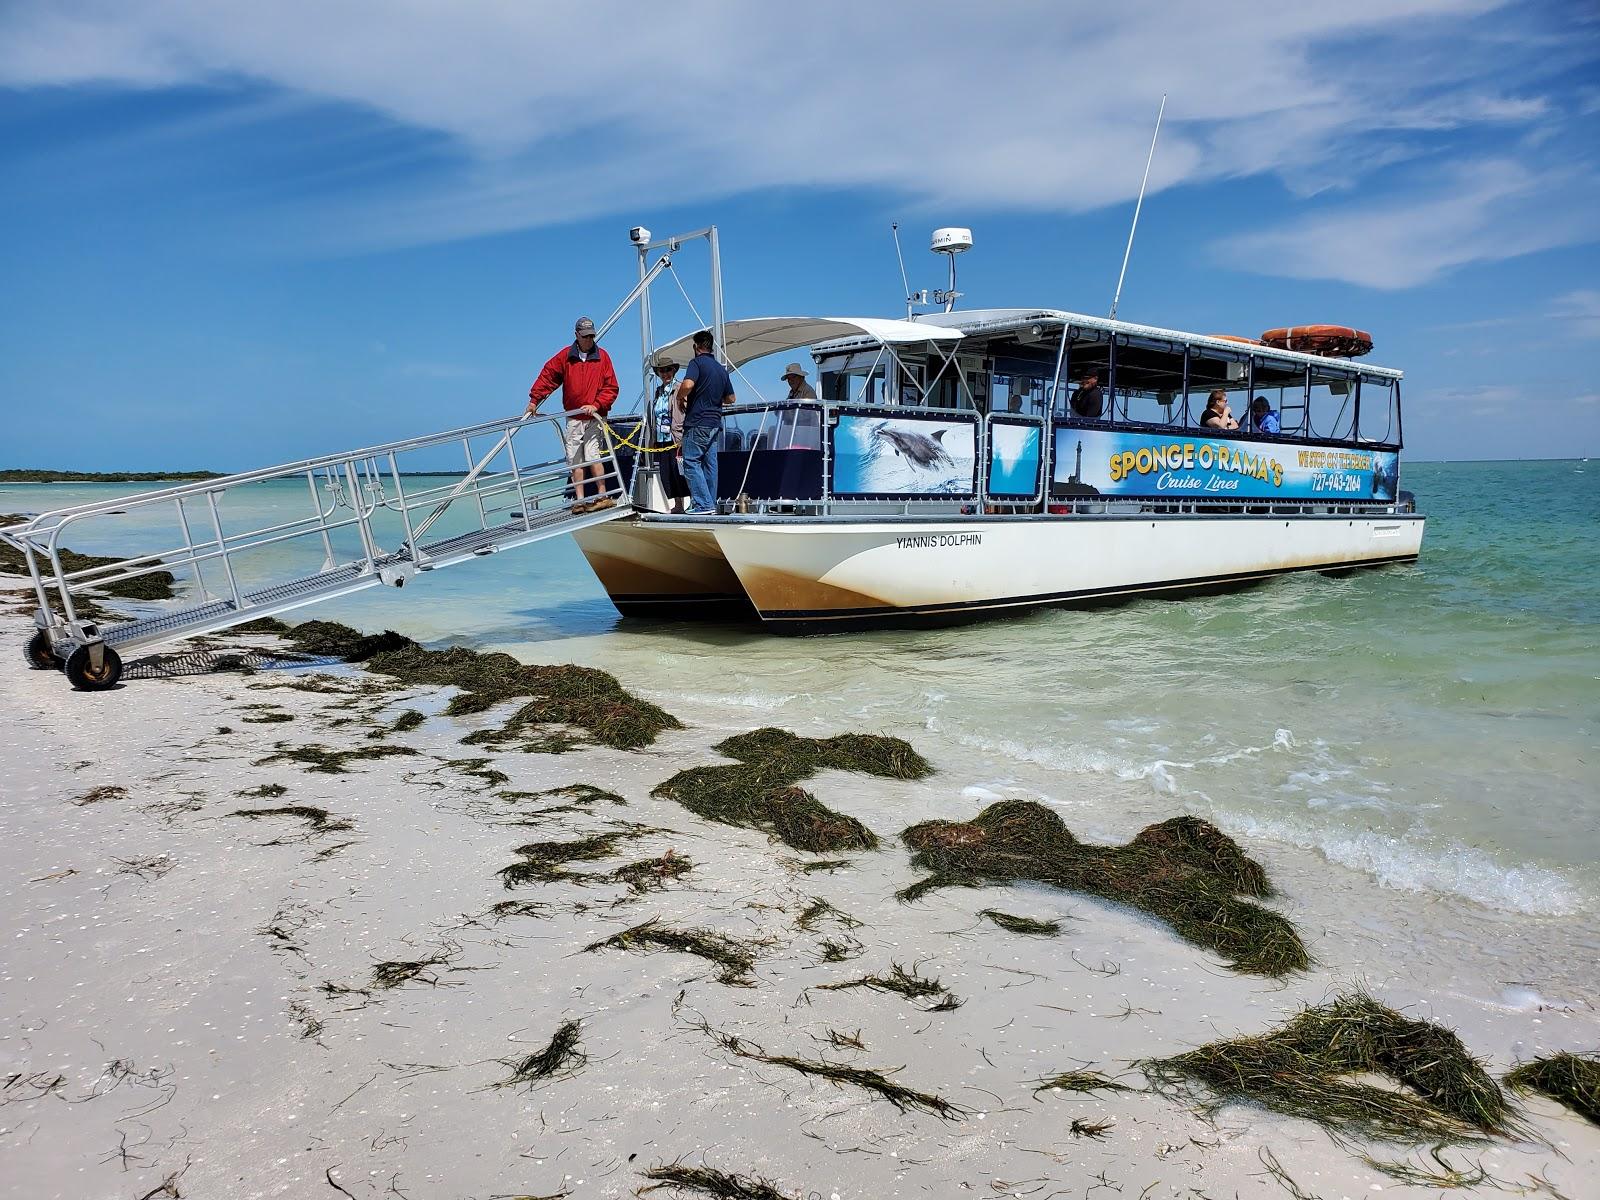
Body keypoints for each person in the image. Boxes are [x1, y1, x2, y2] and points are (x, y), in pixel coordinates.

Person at [527, 316, 620, 513]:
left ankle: (602, 496)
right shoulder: (565, 356)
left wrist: (596, 405)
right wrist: (535, 399)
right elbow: (548, 375)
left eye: (591, 336)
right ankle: (579, 500)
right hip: (574, 416)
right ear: (576, 335)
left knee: (593, 455)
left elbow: (611, 387)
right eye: (585, 336)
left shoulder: (603, 357)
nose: (589, 340)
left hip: (595, 417)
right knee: (575, 459)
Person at [673, 330, 736, 515]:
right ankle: (710, 505)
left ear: (696, 347)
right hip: (715, 423)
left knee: (691, 462)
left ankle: (703, 505)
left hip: (697, 421)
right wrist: (713, 398)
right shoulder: (720, 369)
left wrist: (679, 398)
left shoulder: (696, 363)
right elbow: (731, 398)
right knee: (710, 465)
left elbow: (687, 385)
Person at [650, 354, 691, 513]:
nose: (665, 373)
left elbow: (686, 410)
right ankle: (678, 504)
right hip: (661, 438)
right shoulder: (658, 391)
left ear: (673, 371)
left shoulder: (679, 388)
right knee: (667, 474)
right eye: (662, 371)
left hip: (676, 437)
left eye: (668, 370)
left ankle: (691, 502)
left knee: (680, 471)